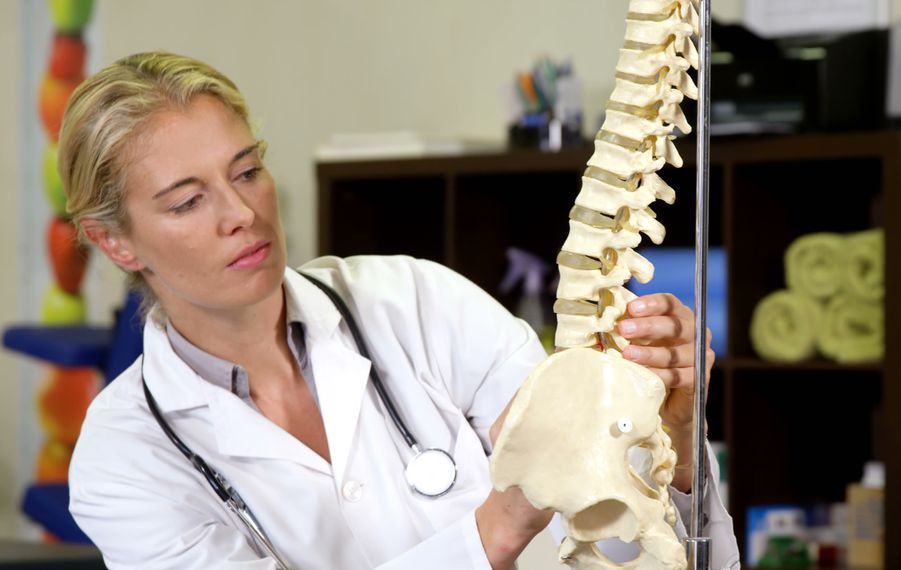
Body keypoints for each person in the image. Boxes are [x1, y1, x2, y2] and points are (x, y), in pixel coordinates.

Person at [62, 52, 739, 569]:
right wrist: (495, 529)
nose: (243, 214)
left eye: (247, 171)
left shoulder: (415, 302)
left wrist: (668, 442)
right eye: (187, 201)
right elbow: (529, 497)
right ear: (114, 241)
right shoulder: (124, 458)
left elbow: (610, 544)